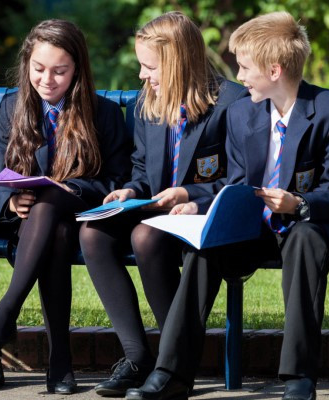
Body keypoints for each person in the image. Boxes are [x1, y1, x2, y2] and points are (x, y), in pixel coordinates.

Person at [126, 11, 329, 400]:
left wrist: (298, 202)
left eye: (244, 67)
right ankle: (171, 373)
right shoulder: (244, 112)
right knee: (205, 244)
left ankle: (299, 377)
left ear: (274, 70)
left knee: (305, 239)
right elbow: (236, 182)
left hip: (308, 225)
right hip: (255, 229)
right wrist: (197, 202)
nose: (239, 77)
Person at [78, 11, 246, 397]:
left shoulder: (231, 102)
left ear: (177, 62)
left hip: (199, 214)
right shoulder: (148, 102)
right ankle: (138, 357)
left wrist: (189, 195)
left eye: (149, 66)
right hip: (156, 209)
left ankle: (175, 361)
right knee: (93, 232)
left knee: (145, 236)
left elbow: (240, 178)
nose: (142, 75)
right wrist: (128, 191)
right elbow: (142, 169)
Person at [0, 19, 130, 395]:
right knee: (51, 225)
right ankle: (59, 364)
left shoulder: (102, 113)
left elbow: (117, 180)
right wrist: (12, 199)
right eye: (39, 68)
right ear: (27, 63)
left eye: (60, 71)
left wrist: (70, 187)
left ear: (78, 69)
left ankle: (6, 313)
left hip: (85, 213)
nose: (47, 80)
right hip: (32, 225)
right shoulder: (12, 108)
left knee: (53, 201)